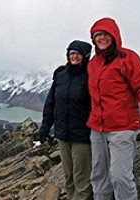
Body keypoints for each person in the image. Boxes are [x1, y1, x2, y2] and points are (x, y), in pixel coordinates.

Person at [87, 17, 140, 200]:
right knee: (99, 178)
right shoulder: (92, 63)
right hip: (97, 129)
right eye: (98, 35)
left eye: (106, 34)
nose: (102, 38)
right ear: (93, 39)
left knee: (120, 178)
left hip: (122, 128)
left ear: (114, 35)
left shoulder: (128, 58)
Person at [39, 40, 93, 200]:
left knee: (81, 178)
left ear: (85, 56)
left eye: (78, 53)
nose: (74, 56)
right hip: (62, 135)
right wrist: (45, 127)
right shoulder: (61, 75)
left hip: (82, 136)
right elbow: (51, 103)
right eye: (71, 53)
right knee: (68, 177)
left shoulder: (90, 76)